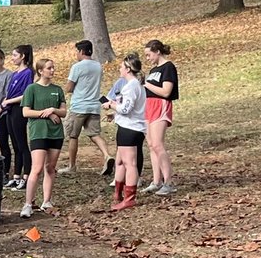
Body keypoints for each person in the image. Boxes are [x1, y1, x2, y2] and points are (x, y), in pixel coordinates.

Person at [20, 58, 66, 218]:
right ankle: (28, 203)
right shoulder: (31, 89)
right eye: (49, 68)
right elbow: (26, 112)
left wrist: (53, 110)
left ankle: (46, 200)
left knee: (50, 167)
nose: (52, 70)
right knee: (37, 168)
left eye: (53, 67)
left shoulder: (57, 89)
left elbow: (64, 112)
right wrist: (45, 113)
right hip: (38, 133)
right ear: (40, 71)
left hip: (56, 133)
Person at [61, 39, 113, 176]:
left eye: (77, 51)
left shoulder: (77, 67)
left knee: (73, 136)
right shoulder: (98, 66)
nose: (76, 54)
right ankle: (107, 155)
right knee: (95, 134)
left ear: (81, 51)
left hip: (79, 106)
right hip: (94, 106)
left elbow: (69, 87)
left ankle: (72, 166)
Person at [104, 53, 146, 211]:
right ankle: (118, 194)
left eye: (121, 67)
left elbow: (126, 109)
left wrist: (111, 106)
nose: (119, 69)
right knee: (120, 161)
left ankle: (129, 198)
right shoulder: (136, 85)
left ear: (128, 69)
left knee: (130, 164)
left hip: (130, 128)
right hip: (129, 127)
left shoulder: (132, 86)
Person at [141, 39, 178, 196]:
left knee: (157, 144)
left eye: (149, 55)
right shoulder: (153, 70)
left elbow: (166, 91)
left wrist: (146, 84)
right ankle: (157, 181)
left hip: (161, 105)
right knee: (150, 144)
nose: (147, 58)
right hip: (149, 106)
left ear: (157, 51)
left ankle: (168, 182)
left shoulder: (168, 67)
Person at [0, 44, 35, 190]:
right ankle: (16, 176)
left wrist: (9, 101)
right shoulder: (15, 74)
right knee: (15, 144)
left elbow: (26, 94)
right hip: (9, 110)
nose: (12, 58)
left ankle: (27, 176)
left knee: (22, 144)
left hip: (19, 109)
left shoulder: (28, 73)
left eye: (15, 55)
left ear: (23, 56)